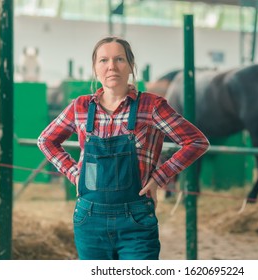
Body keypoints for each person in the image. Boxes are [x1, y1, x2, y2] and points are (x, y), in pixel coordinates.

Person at [37, 36, 209, 260]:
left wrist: (159, 177)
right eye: (103, 60)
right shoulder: (79, 107)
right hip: (89, 218)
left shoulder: (152, 106)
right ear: (95, 68)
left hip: (136, 218)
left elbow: (196, 141)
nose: (111, 66)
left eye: (119, 59)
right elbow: (45, 141)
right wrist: (73, 174)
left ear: (130, 66)